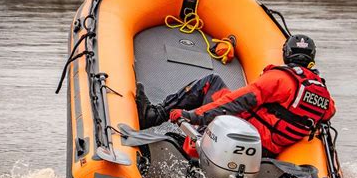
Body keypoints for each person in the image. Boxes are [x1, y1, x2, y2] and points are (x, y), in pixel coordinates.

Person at [136, 34, 336, 157]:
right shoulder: (324, 95)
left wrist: (192, 115)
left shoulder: (280, 79)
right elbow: (327, 115)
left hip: (248, 132)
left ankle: (155, 115)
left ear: (286, 54)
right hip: (271, 148)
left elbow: (235, 102)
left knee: (211, 82)